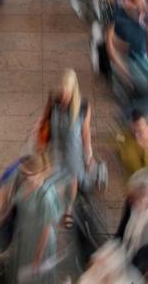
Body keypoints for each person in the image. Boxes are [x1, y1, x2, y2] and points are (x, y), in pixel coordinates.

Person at [40, 69, 92, 229]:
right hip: (56, 145)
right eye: (62, 92)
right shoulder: (53, 98)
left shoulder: (83, 106)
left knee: (72, 177)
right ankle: (52, 206)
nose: (63, 98)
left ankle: (68, 210)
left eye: (67, 94)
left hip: (73, 148)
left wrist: (88, 153)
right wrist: (40, 138)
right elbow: (45, 118)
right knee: (53, 176)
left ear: (73, 90)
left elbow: (85, 132)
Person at [5, 153, 62, 284]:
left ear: (38, 173)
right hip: (25, 236)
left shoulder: (45, 195)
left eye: (27, 174)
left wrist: (38, 256)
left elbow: (46, 229)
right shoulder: (24, 184)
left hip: (39, 244)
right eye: (22, 173)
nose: (23, 177)